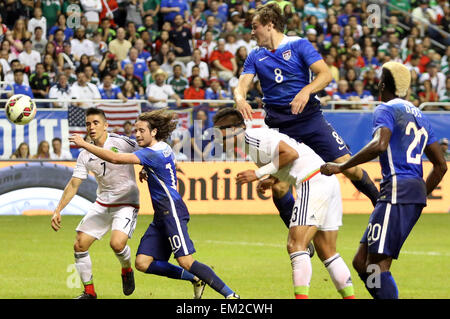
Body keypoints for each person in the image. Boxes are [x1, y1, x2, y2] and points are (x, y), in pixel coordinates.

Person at [234, 3, 379, 230]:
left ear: (270, 25)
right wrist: (240, 99)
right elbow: (241, 85)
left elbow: (325, 74)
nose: (252, 32)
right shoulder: (255, 56)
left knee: (348, 167)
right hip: (280, 127)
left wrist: (306, 90)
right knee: (279, 187)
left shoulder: (299, 44)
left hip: (310, 119)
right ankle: (297, 232)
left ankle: (379, 205)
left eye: (255, 27)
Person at [69, 109, 240, 299]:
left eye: (142, 130)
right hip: (161, 215)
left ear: (154, 132)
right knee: (142, 263)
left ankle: (230, 295)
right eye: (136, 130)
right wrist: (146, 170)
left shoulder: (153, 153)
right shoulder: (162, 148)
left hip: (172, 211)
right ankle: (195, 278)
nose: (137, 135)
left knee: (185, 260)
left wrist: (83, 144)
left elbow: (115, 158)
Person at [320, 62, 448, 299]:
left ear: (381, 85)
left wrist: (341, 166)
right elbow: (441, 166)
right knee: (362, 262)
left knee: (377, 265)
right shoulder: (420, 115)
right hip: (407, 191)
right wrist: (420, 193)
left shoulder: (386, 109)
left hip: (397, 189)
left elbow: (380, 144)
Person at [212, 107, 355, 299]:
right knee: (327, 252)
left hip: (312, 181)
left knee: (296, 246)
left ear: (234, 129)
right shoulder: (253, 145)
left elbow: (291, 154)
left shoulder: (254, 138)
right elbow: (285, 170)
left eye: (219, 131)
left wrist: (257, 174)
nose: (217, 137)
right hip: (325, 180)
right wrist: (270, 179)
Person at [51, 108, 141, 299]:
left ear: (106, 125)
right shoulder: (85, 154)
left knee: (117, 244)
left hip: (126, 202)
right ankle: (89, 293)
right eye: (88, 124)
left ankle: (126, 269)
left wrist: (147, 169)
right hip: (103, 202)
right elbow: (74, 184)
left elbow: (147, 154)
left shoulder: (121, 142)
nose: (91, 127)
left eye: (96, 123)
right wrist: (58, 209)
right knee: (80, 244)